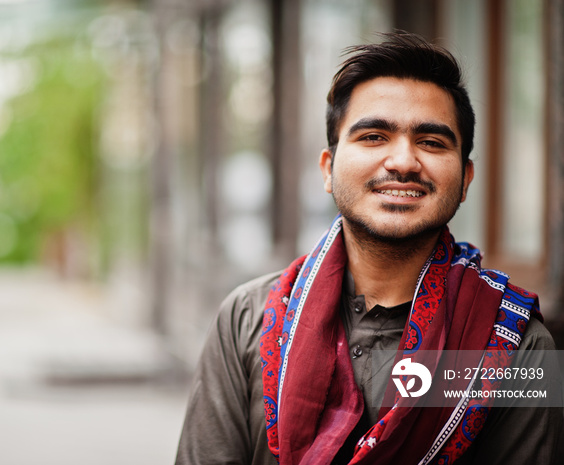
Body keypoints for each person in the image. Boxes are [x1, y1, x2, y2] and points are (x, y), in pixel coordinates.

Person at [175, 32, 562, 465]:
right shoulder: (247, 319)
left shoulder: (523, 346)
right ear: (328, 169)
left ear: (466, 178)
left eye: (432, 142)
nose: (402, 161)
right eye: (374, 136)